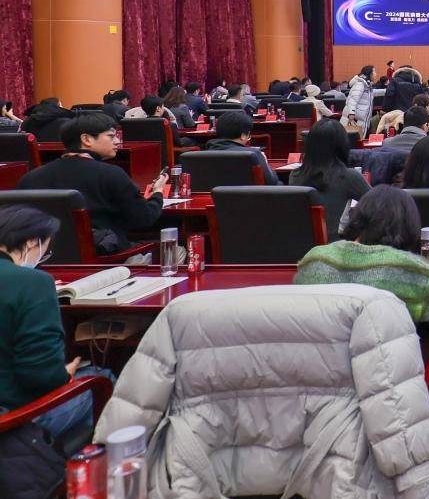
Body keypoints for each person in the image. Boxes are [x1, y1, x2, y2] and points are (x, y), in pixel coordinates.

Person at [0, 206, 113, 456]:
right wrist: (64, 374)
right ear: (32, 241)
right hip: (12, 420)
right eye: (45, 251)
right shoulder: (33, 283)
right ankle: (60, 470)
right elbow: (41, 376)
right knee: (102, 380)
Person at [295, 185, 429, 328]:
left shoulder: (314, 260)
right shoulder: (410, 269)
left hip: (319, 360)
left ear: (358, 216)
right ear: (409, 225)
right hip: (386, 360)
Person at [18, 113, 169, 253]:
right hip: (107, 258)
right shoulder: (111, 174)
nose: (118, 141)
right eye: (111, 136)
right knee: (175, 250)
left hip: (42, 258)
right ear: (86, 139)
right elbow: (143, 218)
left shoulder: (30, 177)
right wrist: (157, 193)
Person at [289, 118, 370, 235]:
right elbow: (378, 206)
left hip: (303, 243)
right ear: (342, 146)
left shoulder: (294, 175)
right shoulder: (348, 176)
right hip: (336, 243)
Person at [202, 110, 281, 185]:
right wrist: (265, 163)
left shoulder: (202, 155)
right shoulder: (253, 154)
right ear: (243, 135)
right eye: (248, 135)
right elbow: (271, 181)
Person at [343, 65, 376, 136]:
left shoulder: (367, 85)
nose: (375, 74)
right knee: (353, 139)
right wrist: (351, 113)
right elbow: (353, 100)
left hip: (361, 118)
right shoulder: (360, 84)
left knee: (359, 139)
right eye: (374, 72)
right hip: (356, 118)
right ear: (369, 74)